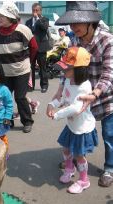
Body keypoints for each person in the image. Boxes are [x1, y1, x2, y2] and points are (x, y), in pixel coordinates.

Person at [54, 1, 113, 187]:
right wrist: (60, 89)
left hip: (104, 96)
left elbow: (109, 73)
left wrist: (95, 93)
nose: (73, 27)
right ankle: (77, 162)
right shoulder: (73, 41)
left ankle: (110, 168)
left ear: (91, 22)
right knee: (79, 131)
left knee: (109, 135)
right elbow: (68, 68)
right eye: (71, 23)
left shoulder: (107, 40)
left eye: (78, 22)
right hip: (80, 95)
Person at [47, 46, 98, 194]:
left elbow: (75, 108)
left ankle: (84, 180)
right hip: (71, 126)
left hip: (82, 128)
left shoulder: (84, 86)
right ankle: (69, 169)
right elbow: (63, 98)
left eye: (67, 68)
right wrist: (52, 104)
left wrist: (57, 115)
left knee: (79, 155)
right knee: (66, 148)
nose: (64, 72)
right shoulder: (69, 81)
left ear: (80, 69)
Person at [0, 2, 38, 133]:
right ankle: (8, 121)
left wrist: (29, 62)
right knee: (5, 98)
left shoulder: (23, 30)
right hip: (4, 72)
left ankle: (27, 121)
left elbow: (34, 47)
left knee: (20, 97)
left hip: (21, 70)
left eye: (2, 16)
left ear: (11, 17)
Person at [26, 3, 50, 93]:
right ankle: (31, 86)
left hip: (41, 47)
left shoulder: (44, 20)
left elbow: (44, 28)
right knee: (30, 67)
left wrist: (38, 19)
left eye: (37, 10)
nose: (35, 12)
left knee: (42, 67)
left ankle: (44, 85)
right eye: (33, 10)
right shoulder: (28, 21)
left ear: (40, 11)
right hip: (31, 48)